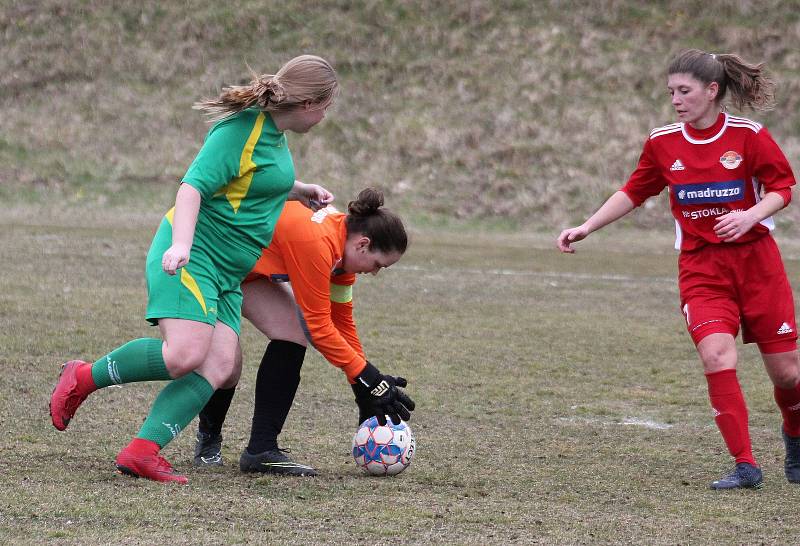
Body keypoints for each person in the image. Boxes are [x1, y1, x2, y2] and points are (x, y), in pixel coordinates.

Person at [49, 55, 339, 484]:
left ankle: (141, 451)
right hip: (195, 255)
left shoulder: (273, 134)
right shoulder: (241, 129)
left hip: (227, 271)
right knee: (185, 355)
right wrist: (182, 244)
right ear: (310, 102)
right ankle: (82, 377)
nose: (325, 116)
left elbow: (250, 180)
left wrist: (298, 190)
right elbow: (192, 187)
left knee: (220, 364)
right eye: (326, 106)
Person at [557, 49, 800, 490]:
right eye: (671, 91)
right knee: (716, 355)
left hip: (758, 266)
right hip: (702, 269)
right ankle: (746, 465)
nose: (676, 99)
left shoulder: (749, 136)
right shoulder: (663, 142)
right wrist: (587, 226)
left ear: (712, 91)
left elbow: (784, 187)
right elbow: (634, 191)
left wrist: (749, 215)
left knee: (789, 375)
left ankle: (796, 435)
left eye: (684, 91)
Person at [193, 188, 416, 476]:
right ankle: (208, 441)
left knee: (292, 332)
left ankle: (261, 450)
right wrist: (369, 377)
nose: (374, 272)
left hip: (243, 272)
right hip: (209, 263)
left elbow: (342, 322)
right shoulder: (318, 242)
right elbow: (319, 328)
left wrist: (361, 387)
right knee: (227, 365)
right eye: (378, 265)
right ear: (363, 244)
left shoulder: (343, 251)